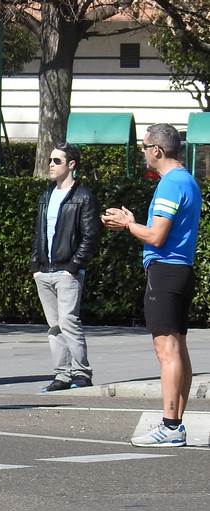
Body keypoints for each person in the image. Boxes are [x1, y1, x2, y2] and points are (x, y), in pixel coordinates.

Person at [103, 123, 203, 446]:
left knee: (166, 349)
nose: (144, 153)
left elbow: (157, 236)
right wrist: (135, 224)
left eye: (145, 147)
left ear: (157, 151)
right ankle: (176, 423)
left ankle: (171, 426)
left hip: (166, 271)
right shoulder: (186, 180)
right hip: (181, 270)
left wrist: (128, 225)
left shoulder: (171, 184)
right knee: (178, 348)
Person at [34, 143, 100, 392]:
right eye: (50, 160)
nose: (51, 164)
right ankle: (62, 374)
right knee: (54, 326)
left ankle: (82, 372)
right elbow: (39, 232)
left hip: (66, 271)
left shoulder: (83, 196)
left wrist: (74, 266)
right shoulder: (47, 195)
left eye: (57, 161)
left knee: (69, 321)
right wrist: (36, 266)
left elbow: (90, 236)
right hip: (45, 270)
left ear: (71, 165)